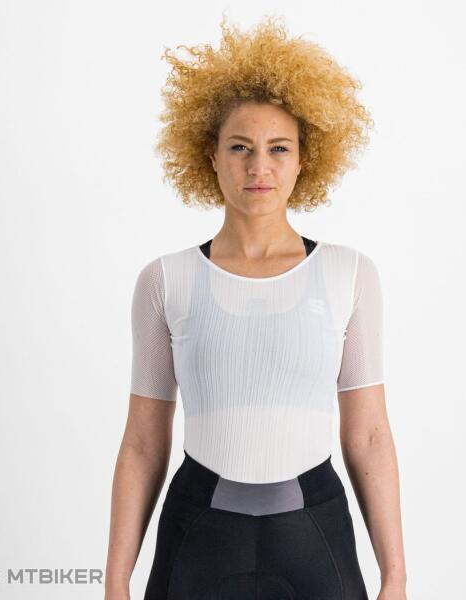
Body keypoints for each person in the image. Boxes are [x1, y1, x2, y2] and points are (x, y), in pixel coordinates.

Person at [105, 13, 407, 600]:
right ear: (211, 156)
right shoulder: (166, 280)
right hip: (197, 534)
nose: (258, 166)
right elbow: (142, 442)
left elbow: (369, 435)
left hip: (315, 535)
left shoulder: (349, 274)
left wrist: (395, 575)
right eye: (239, 147)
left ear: (304, 159)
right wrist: (116, 580)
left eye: (278, 148)